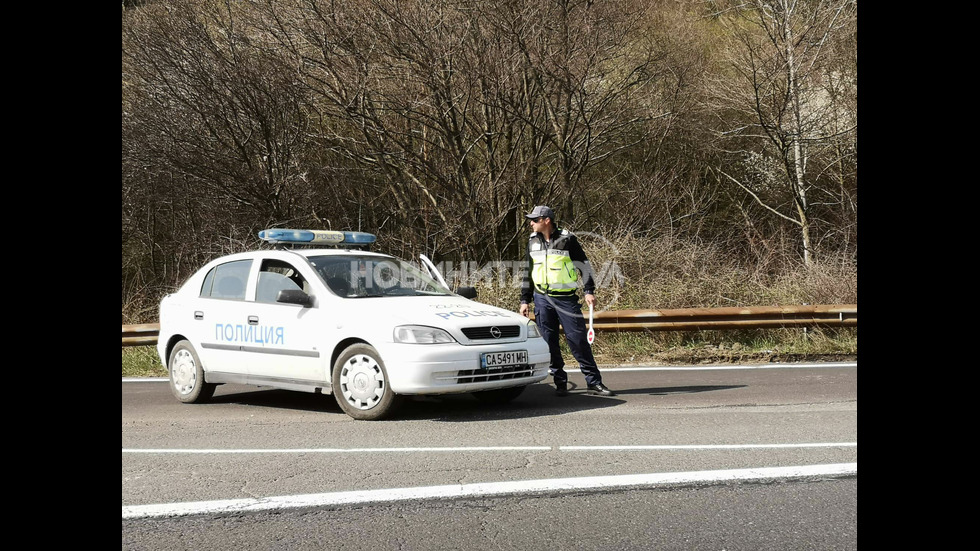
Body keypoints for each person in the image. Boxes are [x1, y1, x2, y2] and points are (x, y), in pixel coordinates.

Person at [519, 205, 616, 397]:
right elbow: (527, 273)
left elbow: (585, 266)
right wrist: (524, 300)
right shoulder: (532, 242)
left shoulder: (567, 239)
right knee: (549, 342)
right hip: (541, 299)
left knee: (578, 340)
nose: (531, 223)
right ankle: (560, 383)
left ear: (546, 220)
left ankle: (594, 382)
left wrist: (589, 290)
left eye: (535, 220)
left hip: (566, 299)